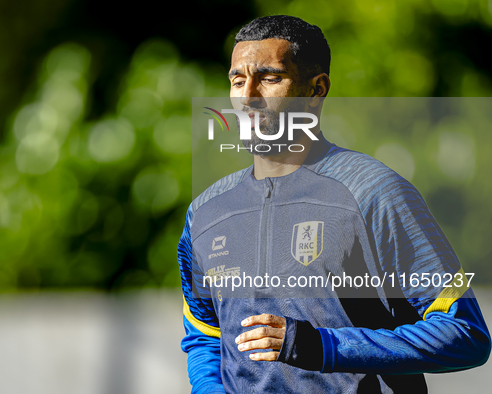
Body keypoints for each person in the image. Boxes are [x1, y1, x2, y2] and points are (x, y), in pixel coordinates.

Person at [177, 15, 491, 393]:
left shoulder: (374, 191)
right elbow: (207, 336)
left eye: (270, 78)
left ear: (316, 89)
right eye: (238, 81)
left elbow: (465, 333)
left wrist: (323, 347)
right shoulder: (206, 212)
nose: (247, 97)